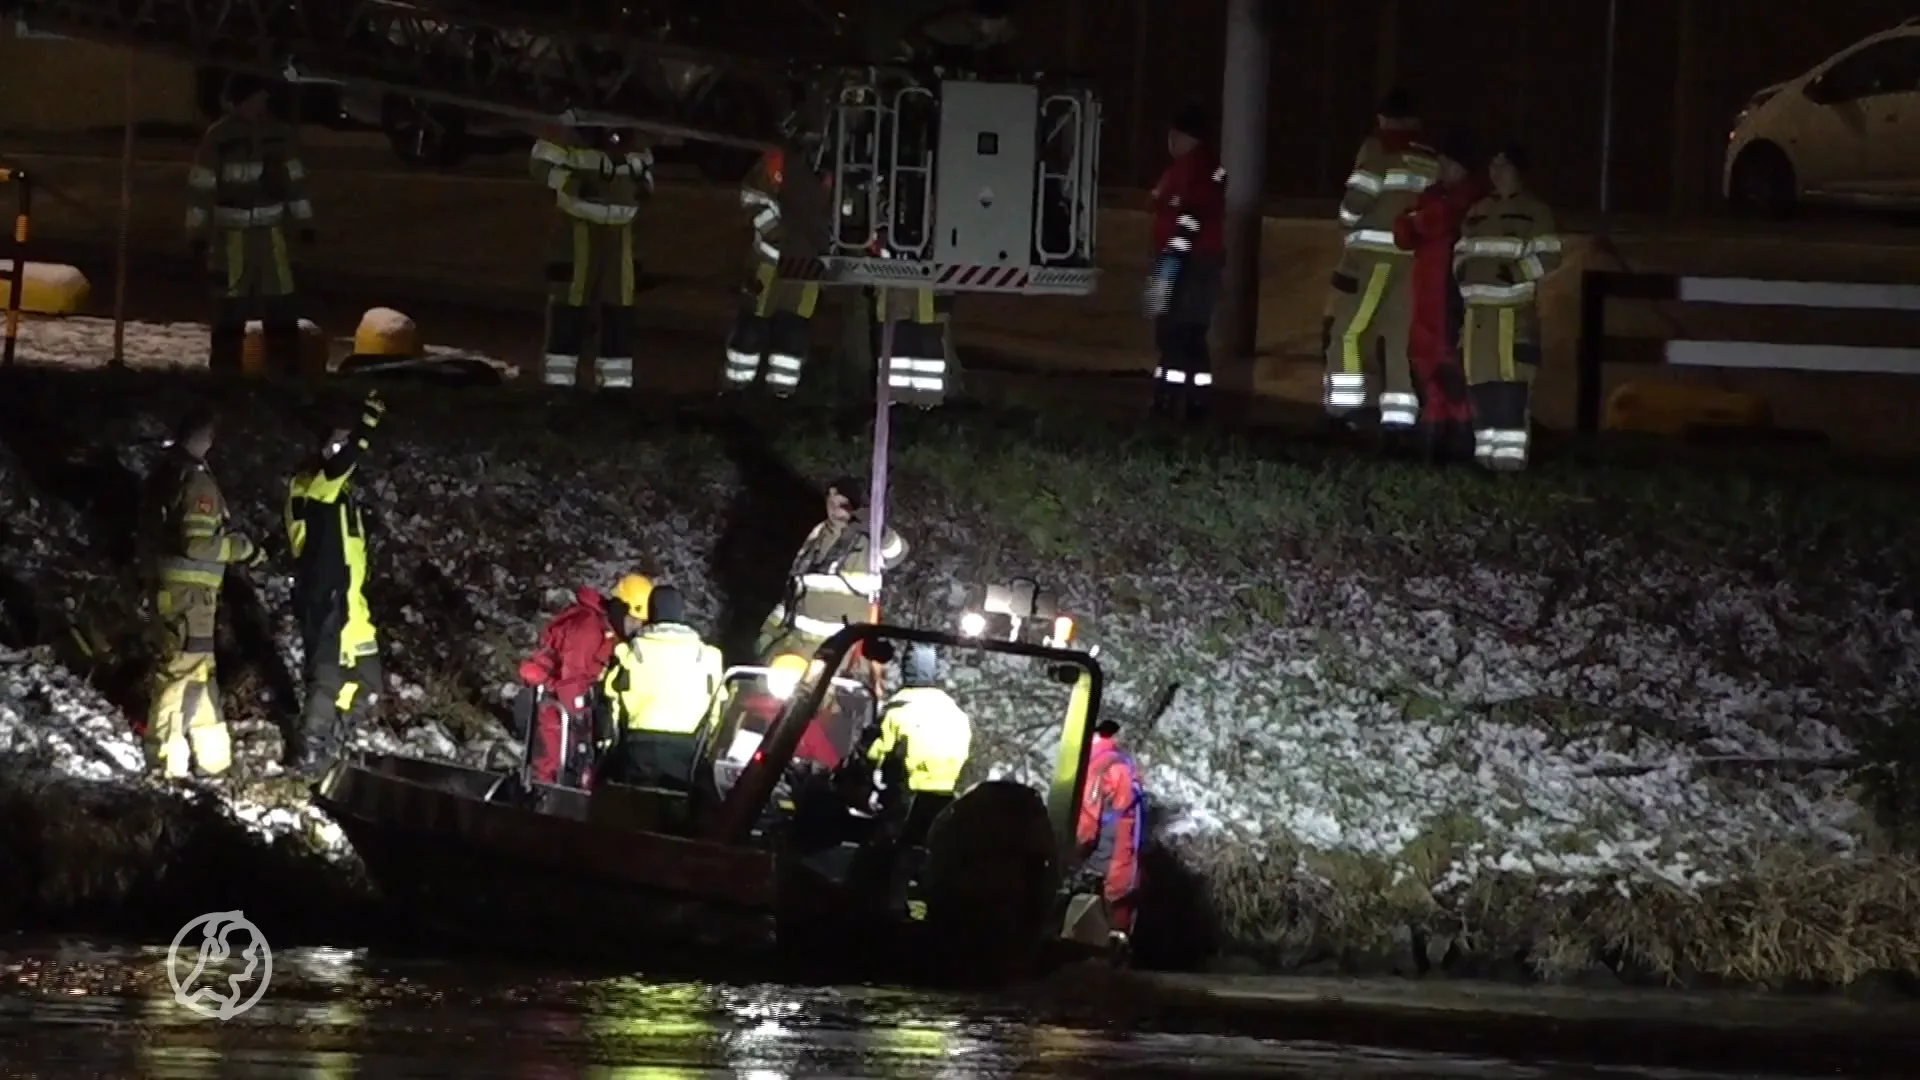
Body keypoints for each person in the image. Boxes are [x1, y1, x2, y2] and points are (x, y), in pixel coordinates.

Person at [139, 406, 262, 778]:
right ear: (207, 439)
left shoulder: (166, 476)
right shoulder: (196, 483)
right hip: (189, 601)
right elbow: (197, 545)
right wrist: (243, 549)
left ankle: (215, 762)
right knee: (178, 677)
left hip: (181, 599)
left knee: (199, 676)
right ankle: (165, 766)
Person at [1322, 88, 1438, 438]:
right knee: (1398, 337)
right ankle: (1400, 418)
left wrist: (1346, 219)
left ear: (1383, 117)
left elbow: (1359, 195)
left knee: (1347, 331)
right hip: (1413, 259)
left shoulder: (1378, 147)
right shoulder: (1428, 156)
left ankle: (1344, 410)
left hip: (1375, 259)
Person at [283, 389, 386, 772]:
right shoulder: (312, 487)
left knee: (368, 680)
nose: (343, 450)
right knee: (326, 677)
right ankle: (309, 752)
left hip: (350, 600)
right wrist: (366, 428)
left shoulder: (341, 493)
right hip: (325, 597)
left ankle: (334, 735)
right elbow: (341, 467)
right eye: (336, 442)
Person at [185, 74, 314, 375]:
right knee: (230, 312)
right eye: (256, 98)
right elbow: (200, 188)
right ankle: (226, 376)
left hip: (272, 238)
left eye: (263, 99)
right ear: (240, 101)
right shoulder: (219, 137)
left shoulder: (280, 135)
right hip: (231, 240)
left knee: (281, 307)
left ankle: (285, 376)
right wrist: (197, 234)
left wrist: (305, 223)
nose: (261, 104)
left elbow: (296, 182)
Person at [1453, 145, 1563, 471]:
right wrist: (1462, 275)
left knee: (1510, 387)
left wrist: (1514, 275)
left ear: (1519, 171)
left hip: (1512, 315)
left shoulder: (1535, 212)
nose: (1495, 173)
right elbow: (1461, 251)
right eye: (1492, 166)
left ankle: (1509, 464)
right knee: (1480, 386)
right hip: (1476, 316)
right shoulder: (1477, 211)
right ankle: (1484, 458)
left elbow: (1550, 255)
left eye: (1503, 166)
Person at [529, 125, 654, 390]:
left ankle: (615, 386)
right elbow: (539, 164)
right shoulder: (569, 128)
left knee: (620, 306)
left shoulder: (635, 132)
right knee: (569, 303)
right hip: (577, 228)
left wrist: (643, 188)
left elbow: (644, 172)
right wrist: (572, 184)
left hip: (620, 232)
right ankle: (558, 384)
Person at [1392, 133, 1488, 463]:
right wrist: (1417, 220)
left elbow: (1428, 223)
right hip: (1427, 294)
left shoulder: (1468, 198)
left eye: (1446, 163)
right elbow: (1404, 231)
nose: (1440, 168)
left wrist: (1418, 220)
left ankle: (1457, 439)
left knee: (1446, 364)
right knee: (1425, 362)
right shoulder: (1438, 196)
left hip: (1448, 293)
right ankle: (1434, 440)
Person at [517, 573, 650, 785]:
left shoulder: (607, 632)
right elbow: (572, 681)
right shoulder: (588, 628)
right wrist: (582, 726)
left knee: (576, 767)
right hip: (548, 703)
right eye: (634, 621)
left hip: (561, 701)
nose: (636, 628)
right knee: (551, 771)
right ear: (621, 609)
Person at [759, 476, 908, 661]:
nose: (834, 506)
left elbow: (897, 552)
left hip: (842, 651)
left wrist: (881, 532)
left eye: (841, 501)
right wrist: (769, 630)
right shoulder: (816, 536)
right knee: (754, 681)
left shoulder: (868, 539)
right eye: (831, 500)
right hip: (797, 644)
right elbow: (794, 588)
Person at [1144, 103, 1226, 422]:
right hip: (1186, 261)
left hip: (1186, 263)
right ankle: (1185, 401)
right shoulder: (1190, 167)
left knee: (1179, 333)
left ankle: (1176, 402)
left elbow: (1192, 214)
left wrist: (1171, 260)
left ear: (1180, 136)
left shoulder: (1196, 167)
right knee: (1178, 333)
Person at [601, 585, 726, 788]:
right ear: (681, 613)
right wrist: (707, 740)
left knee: (633, 803)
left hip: (639, 746)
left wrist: (610, 742)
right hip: (687, 748)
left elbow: (612, 696)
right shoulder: (707, 655)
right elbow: (718, 705)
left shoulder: (631, 651)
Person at [723, 147, 824, 396]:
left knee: (793, 331)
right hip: (770, 260)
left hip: (807, 263)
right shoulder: (777, 161)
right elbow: (752, 196)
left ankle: (782, 391)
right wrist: (775, 234)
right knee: (751, 325)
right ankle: (737, 384)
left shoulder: (836, 165)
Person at [865, 643, 972, 799]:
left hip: (905, 800)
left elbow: (873, 754)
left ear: (905, 670)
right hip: (945, 799)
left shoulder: (897, 709)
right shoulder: (956, 713)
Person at [1075, 718, 1145, 945]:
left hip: (1104, 858)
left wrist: (1068, 851)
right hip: (1126, 859)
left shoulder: (1097, 766)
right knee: (1118, 919)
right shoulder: (1123, 764)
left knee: (1091, 924)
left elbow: (1086, 826)